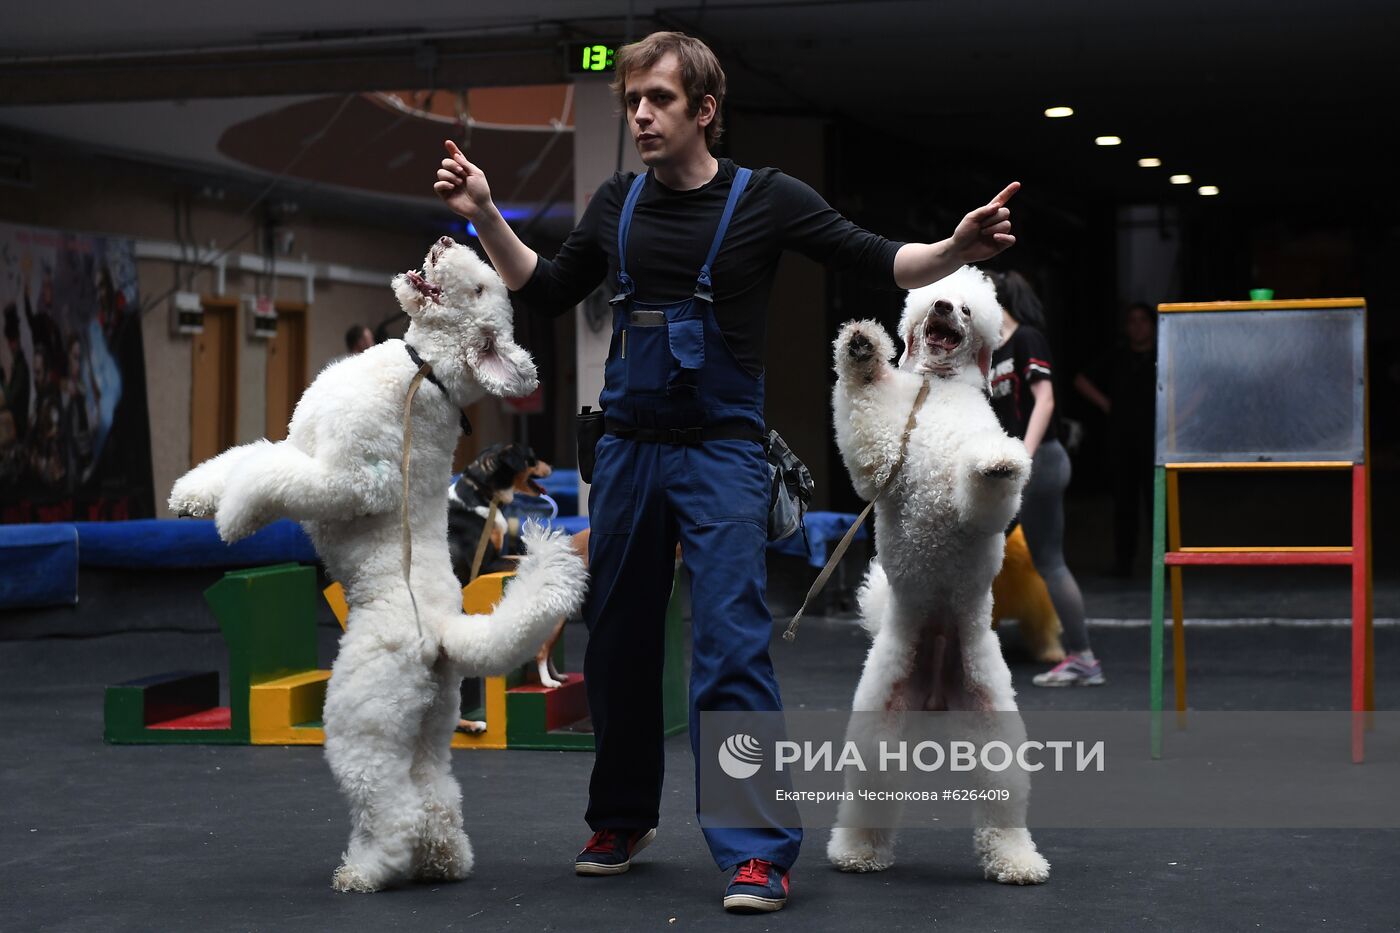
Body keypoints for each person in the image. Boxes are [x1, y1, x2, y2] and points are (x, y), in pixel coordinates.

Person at [433, 30, 1019, 913]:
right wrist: (484, 211)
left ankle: (753, 849)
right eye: (631, 100)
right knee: (620, 638)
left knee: (731, 643)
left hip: (722, 453)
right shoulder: (615, 205)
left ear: (703, 110)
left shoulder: (766, 200)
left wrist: (953, 248)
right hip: (627, 448)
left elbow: (875, 256)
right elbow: (545, 287)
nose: (639, 114)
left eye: (658, 100)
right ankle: (622, 817)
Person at [986, 271, 1103, 687]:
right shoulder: (990, 349)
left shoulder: (1027, 339)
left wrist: (1024, 455)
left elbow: (1045, 399)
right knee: (980, 554)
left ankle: (1083, 658)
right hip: (1013, 467)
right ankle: (962, 653)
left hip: (1041, 463)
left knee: (1048, 560)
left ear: (991, 297)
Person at [1074, 301, 1156, 576]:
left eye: (1143, 320)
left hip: (1156, 441)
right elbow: (1081, 379)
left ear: (1153, 325)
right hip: (1122, 440)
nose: (1137, 326)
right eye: (1132, 321)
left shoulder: (1162, 355)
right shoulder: (1118, 355)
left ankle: (1166, 565)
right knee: (1124, 503)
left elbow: (1197, 386)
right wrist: (1107, 404)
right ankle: (1124, 563)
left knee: (1157, 504)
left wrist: (1178, 417)